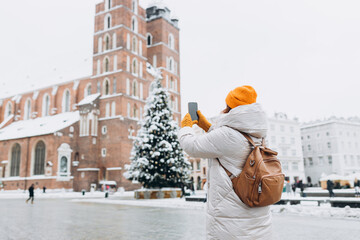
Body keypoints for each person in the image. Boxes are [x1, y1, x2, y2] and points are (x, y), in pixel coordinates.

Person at [179, 86, 272, 239]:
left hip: (231, 225)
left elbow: (192, 146)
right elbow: (231, 145)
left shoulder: (227, 135)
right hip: (256, 220)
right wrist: (208, 127)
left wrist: (186, 128)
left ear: (231, 108)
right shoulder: (258, 135)